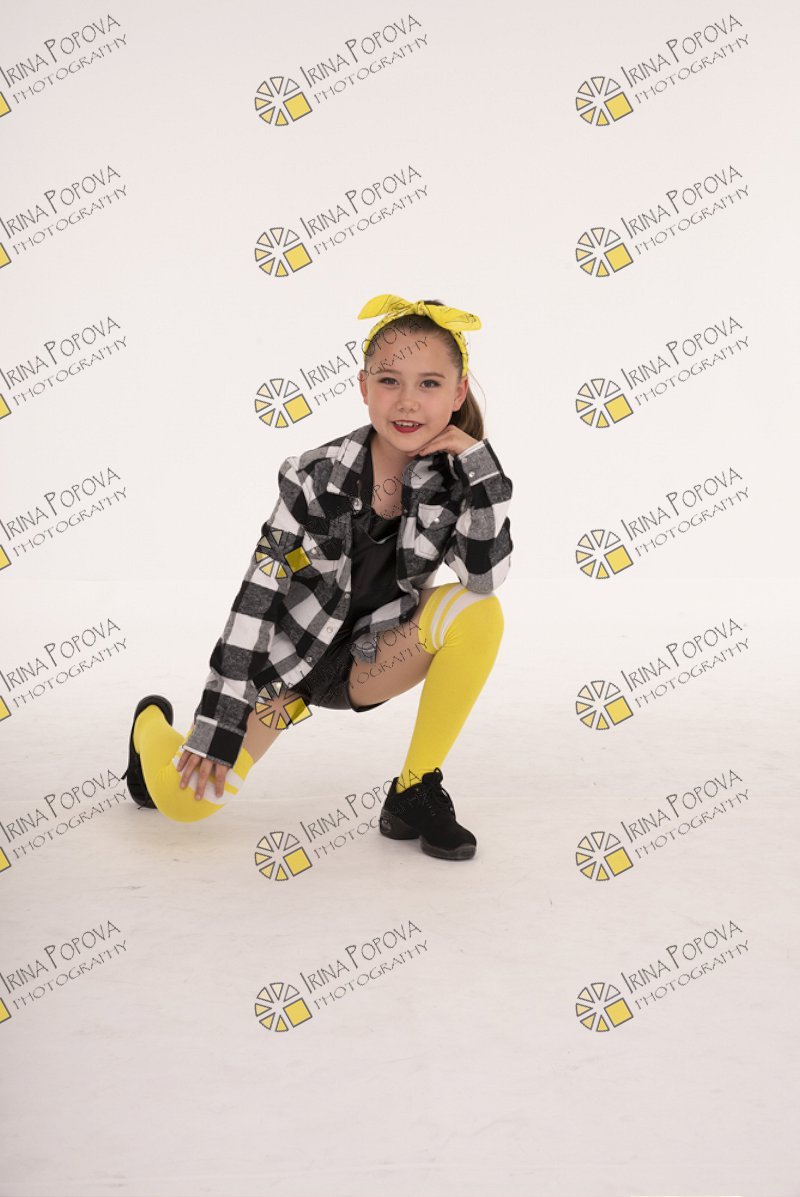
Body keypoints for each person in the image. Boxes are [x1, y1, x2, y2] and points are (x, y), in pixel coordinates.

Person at [122, 293, 513, 861]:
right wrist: (217, 724)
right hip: (288, 674)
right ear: (363, 387)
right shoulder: (312, 477)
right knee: (187, 804)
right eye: (389, 381)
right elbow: (257, 598)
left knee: (480, 612)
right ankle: (150, 727)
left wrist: (482, 469)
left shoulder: (457, 481)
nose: (408, 401)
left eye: (429, 384)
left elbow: (483, 577)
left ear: (458, 393)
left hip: (372, 659)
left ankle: (413, 790)